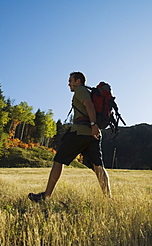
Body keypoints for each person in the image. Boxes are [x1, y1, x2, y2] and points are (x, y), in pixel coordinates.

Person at [28, 72, 111, 202]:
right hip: (92, 134)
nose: (68, 83)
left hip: (80, 132)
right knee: (98, 166)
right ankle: (108, 199)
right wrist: (94, 127)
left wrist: (94, 124)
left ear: (78, 81)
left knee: (58, 160)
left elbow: (88, 104)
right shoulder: (87, 91)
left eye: (70, 80)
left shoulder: (80, 90)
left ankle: (46, 196)